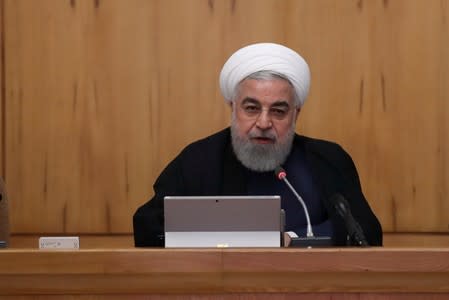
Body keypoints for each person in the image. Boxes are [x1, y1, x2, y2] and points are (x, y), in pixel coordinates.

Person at [133, 42, 382, 247]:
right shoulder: (200, 160)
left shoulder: (327, 159)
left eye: (278, 111)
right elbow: (148, 227)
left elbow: (366, 230)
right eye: (251, 108)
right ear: (233, 108)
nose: (264, 122)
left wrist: (292, 239)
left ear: (296, 113)